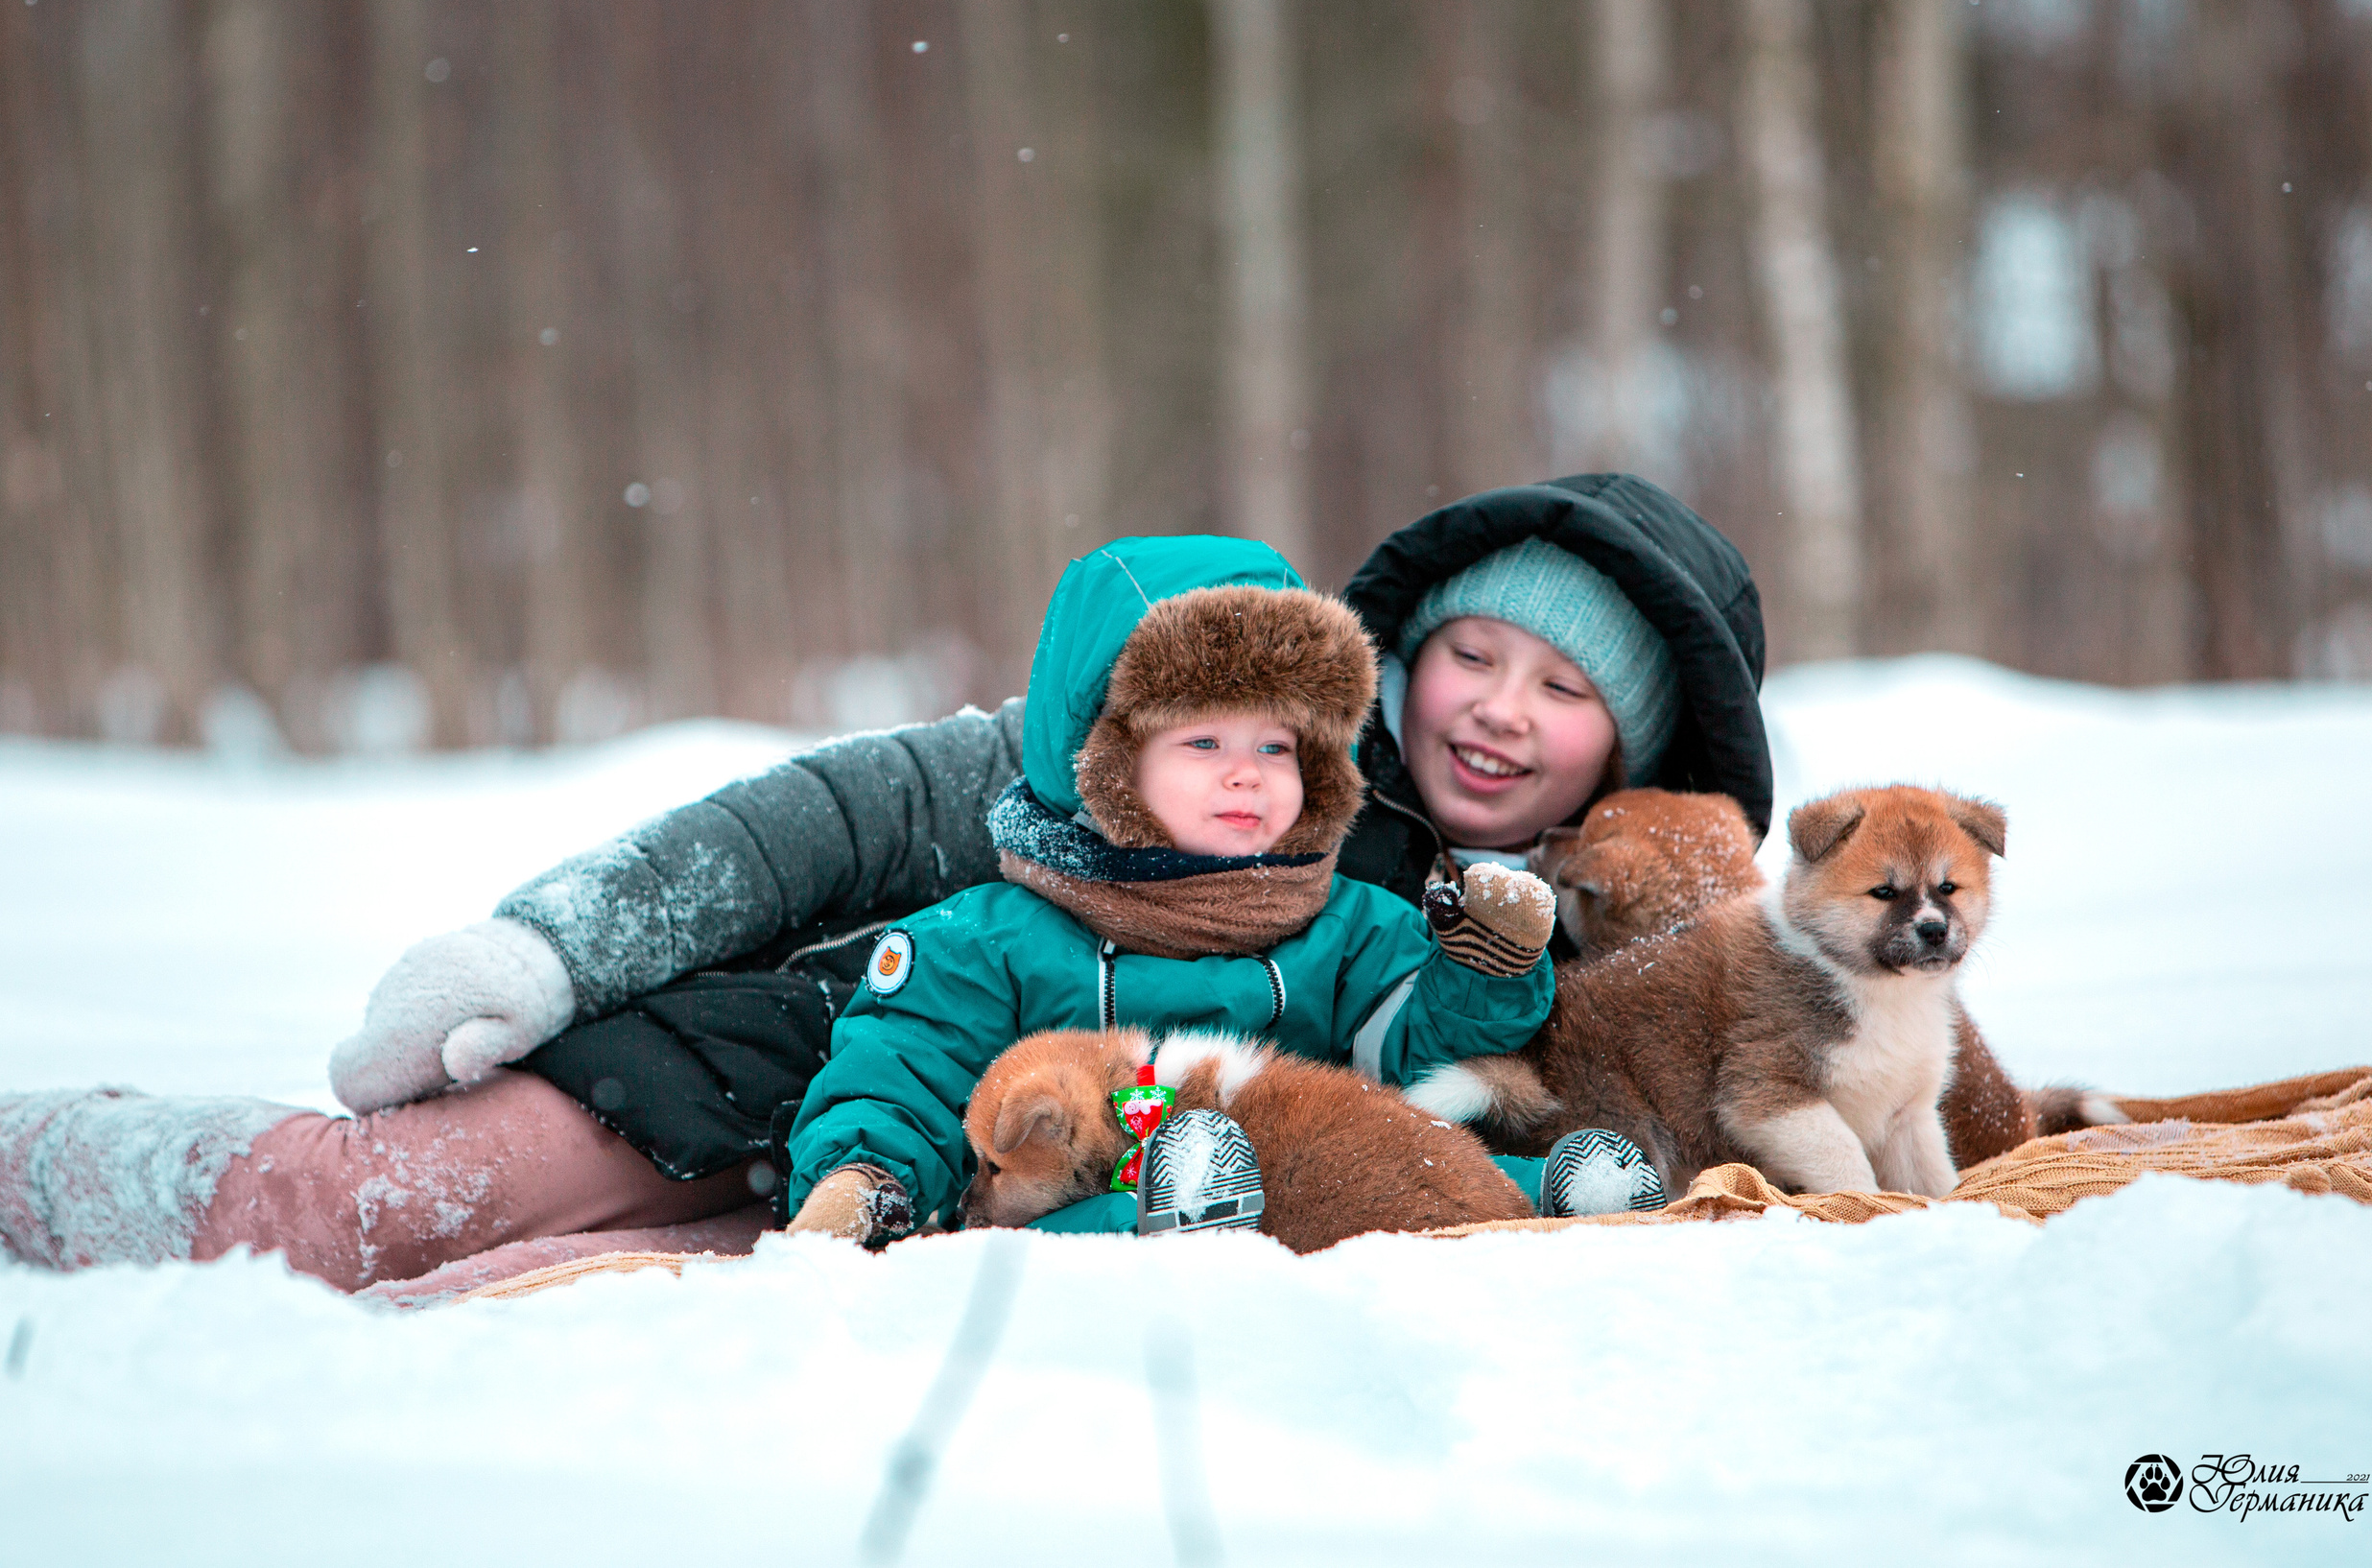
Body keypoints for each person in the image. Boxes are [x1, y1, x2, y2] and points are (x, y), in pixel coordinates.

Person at [2, 474, 2019, 1295]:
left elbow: (1876, 1033)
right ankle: (41, 1164)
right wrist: (550, 939)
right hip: (809, 1050)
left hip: (1038, 1186)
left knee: (479, 1316)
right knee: (339, 1214)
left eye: (1564, 689)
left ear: (1637, 745)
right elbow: (831, 814)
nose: (1491, 711)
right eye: (1471, 652)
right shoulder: (1202, 723)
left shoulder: (1647, 928)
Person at [781, 534, 1641, 1247]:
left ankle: (1563, 1188)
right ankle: (1173, 1209)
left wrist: (1482, 972)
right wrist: (869, 1176)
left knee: (1429, 1166)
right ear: (1108, 761)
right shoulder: (996, 938)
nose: (1246, 774)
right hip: (1105, 1213)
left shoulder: (1352, 926)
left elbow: (1421, 1063)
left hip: (1321, 1183)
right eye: (1202, 743)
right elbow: (908, 1066)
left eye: (1275, 747)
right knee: (1090, 1219)